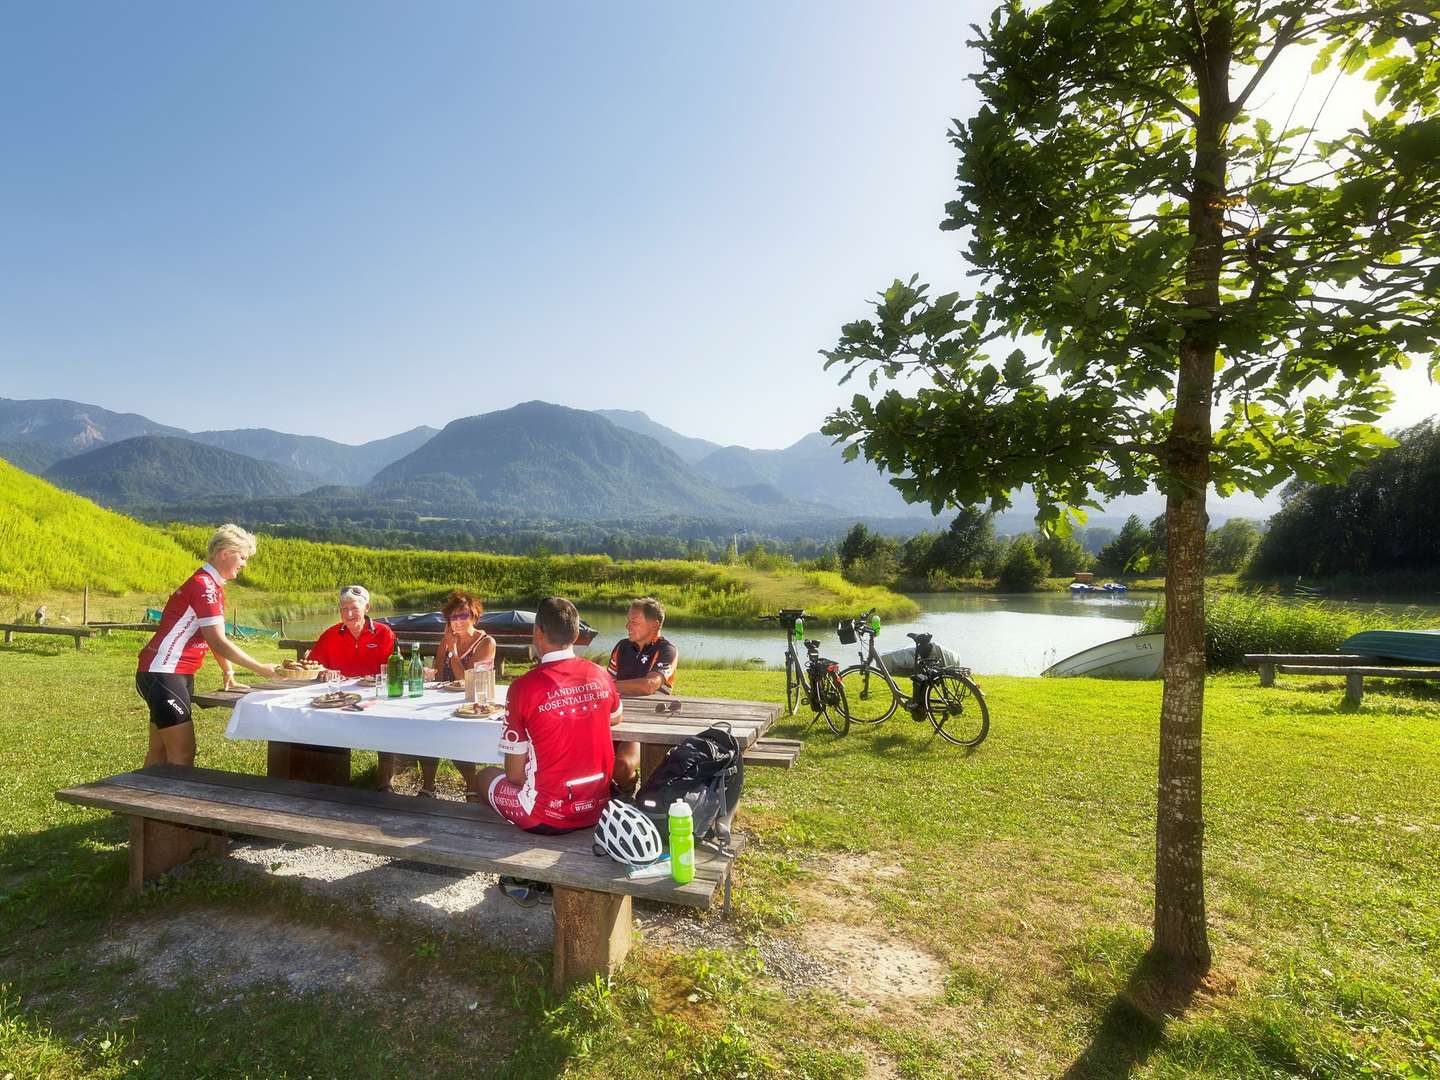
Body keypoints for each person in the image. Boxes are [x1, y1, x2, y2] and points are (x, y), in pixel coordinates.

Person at [476, 596, 621, 836]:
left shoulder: (523, 687)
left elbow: (513, 775)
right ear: (575, 635)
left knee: (484, 777)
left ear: (538, 634)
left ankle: (510, 864)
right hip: (597, 808)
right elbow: (616, 715)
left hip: (545, 816)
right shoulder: (600, 674)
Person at [135, 524, 277, 767]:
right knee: (183, 753)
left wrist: (228, 671)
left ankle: (136, 802)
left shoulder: (208, 585)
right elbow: (218, 641)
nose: (244, 564)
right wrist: (261, 668)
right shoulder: (205, 587)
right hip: (166, 673)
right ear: (224, 553)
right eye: (242, 557)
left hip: (163, 673)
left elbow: (207, 636)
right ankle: (171, 804)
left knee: (159, 752)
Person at [410, 590, 495, 799]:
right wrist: (428, 673)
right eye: (453, 617)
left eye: (463, 615)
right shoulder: (446, 641)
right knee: (426, 730)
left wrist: (454, 651)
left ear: (474, 616)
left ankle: (472, 787)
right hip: (444, 700)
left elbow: (468, 681)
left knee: (458, 738)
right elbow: (439, 674)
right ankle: (428, 785)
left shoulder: (486, 643)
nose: (458, 621)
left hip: (471, 701)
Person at [606, 596, 679, 792]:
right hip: (614, 716)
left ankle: (626, 791)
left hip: (647, 723)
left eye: (634, 621)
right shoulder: (621, 647)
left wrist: (609, 685)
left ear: (654, 625)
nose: (627, 625)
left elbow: (649, 685)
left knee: (621, 767)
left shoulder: (667, 650)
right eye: (628, 620)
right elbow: (605, 679)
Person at [304, 585, 396, 676]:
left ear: (366, 607)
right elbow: (312, 667)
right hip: (337, 689)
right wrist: (323, 671)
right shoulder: (330, 635)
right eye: (345, 609)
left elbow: (394, 669)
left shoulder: (384, 633)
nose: (349, 614)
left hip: (373, 689)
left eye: (354, 608)